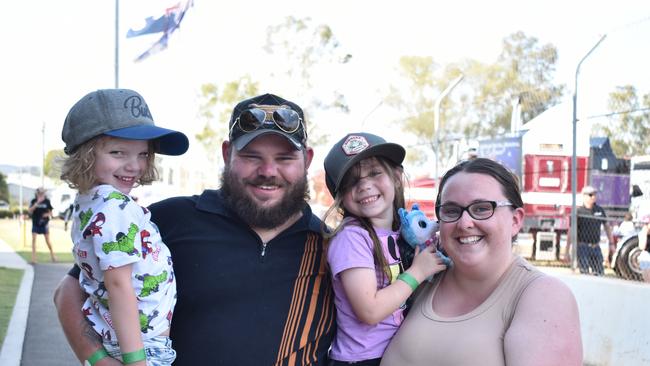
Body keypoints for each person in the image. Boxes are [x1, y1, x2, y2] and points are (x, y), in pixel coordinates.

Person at [53, 93, 336, 365]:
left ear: (307, 160)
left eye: (285, 159)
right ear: (227, 154)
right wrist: (98, 359)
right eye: (251, 156)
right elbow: (69, 291)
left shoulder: (332, 246)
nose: (268, 171)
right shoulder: (165, 220)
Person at [380, 158, 582, 366]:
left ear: (516, 220)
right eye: (451, 210)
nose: (464, 223)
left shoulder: (543, 296)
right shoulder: (424, 275)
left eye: (482, 208)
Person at [58, 88, 189, 365]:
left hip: (118, 339)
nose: (134, 166)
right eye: (118, 152)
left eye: (142, 154)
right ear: (86, 155)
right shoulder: (115, 207)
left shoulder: (89, 202)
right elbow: (118, 285)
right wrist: (136, 360)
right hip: (143, 350)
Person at [322, 133, 447, 366]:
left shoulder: (401, 233)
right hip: (362, 359)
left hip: (394, 353)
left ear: (397, 177)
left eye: (375, 173)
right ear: (341, 197)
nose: (364, 185)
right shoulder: (352, 237)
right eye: (351, 181)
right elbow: (369, 310)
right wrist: (418, 272)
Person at [570, 185, 614, 275]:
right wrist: (568, 248)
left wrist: (611, 243)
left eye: (594, 194)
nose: (593, 197)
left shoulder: (599, 210)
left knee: (599, 272)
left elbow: (607, 227)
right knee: (584, 272)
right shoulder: (579, 211)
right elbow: (571, 230)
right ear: (584, 196)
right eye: (590, 195)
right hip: (583, 246)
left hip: (595, 246)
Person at [28, 187, 57, 264]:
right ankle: (33, 259)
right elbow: (30, 211)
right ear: (37, 194)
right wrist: (37, 203)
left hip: (44, 224)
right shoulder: (33, 201)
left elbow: (51, 213)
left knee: (47, 240)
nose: (41, 194)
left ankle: (53, 256)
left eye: (42, 193)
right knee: (33, 240)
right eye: (39, 193)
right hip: (35, 223)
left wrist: (46, 214)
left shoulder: (47, 201)